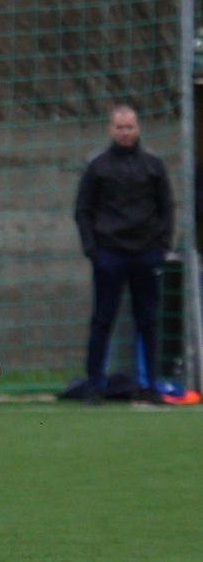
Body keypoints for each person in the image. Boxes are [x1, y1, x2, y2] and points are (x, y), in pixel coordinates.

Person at [74, 105, 173, 401]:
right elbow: (83, 210)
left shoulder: (153, 165)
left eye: (130, 127)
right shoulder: (98, 166)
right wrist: (93, 250)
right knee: (102, 321)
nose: (125, 132)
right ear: (111, 129)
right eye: (120, 127)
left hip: (146, 254)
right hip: (109, 255)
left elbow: (166, 208)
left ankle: (149, 385)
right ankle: (95, 385)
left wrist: (161, 247)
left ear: (138, 128)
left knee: (148, 321)